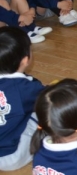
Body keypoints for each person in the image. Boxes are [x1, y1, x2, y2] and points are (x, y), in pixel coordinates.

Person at [0, 27, 44, 170]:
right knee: (43, 114)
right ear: (25, 60)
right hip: (10, 157)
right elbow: (49, 100)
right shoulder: (25, 88)